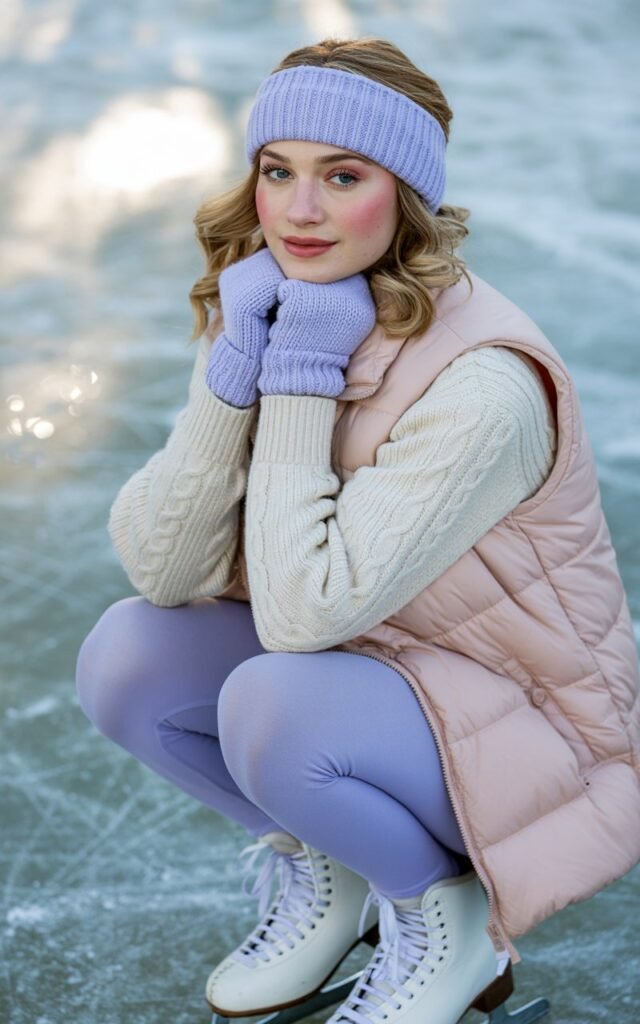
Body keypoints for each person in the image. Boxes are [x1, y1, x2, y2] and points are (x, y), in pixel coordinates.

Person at [75, 36, 640, 1024]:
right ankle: (334, 865)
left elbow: (303, 617)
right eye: (276, 171)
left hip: (531, 729)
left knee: (274, 702)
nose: (300, 210)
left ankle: (445, 918)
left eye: (343, 177)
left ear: (405, 194)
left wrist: (299, 377)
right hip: (373, 673)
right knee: (127, 654)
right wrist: (234, 370)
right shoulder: (283, 307)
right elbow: (164, 567)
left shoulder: (486, 386)